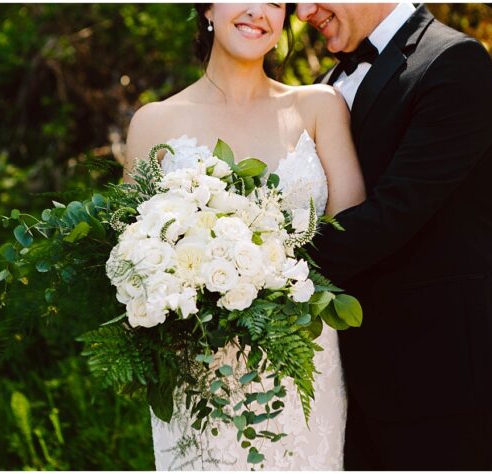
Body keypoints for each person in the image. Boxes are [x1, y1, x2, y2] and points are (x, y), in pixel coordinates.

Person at [124, 3, 365, 469]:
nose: (258, 11)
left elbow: (356, 240)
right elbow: (133, 260)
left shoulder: (319, 106)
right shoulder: (153, 123)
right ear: (207, 8)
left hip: (304, 368)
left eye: (275, 2)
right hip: (198, 378)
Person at [296, 3, 492, 469]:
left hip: (441, 380)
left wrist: (260, 268)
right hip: (346, 380)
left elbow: (392, 215)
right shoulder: (326, 86)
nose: (303, 12)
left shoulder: (454, 63)